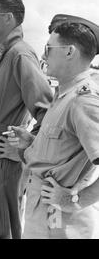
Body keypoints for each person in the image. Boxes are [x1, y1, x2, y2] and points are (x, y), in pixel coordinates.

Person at [7, 14, 99, 238]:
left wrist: (74, 200)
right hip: (43, 214)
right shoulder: (64, 94)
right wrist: (31, 142)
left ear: (69, 52)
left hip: (60, 222)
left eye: (49, 49)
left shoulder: (83, 99)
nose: (43, 55)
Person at [0, 0, 53, 239]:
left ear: (8, 18)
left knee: (0, 230)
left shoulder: (20, 54)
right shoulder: (7, 54)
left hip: (3, 155)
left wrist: (23, 149)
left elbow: (47, 114)